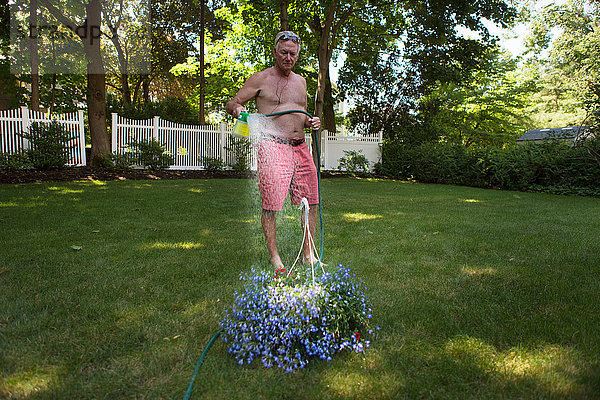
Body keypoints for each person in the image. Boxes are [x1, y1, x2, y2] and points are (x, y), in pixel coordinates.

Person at [226, 31, 321, 269]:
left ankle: (308, 254)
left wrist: (310, 122)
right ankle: (275, 258)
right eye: (284, 53)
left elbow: (300, 114)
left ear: (298, 55)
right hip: (272, 147)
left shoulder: (301, 82)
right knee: (271, 205)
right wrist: (239, 111)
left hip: (300, 147)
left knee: (312, 202)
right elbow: (232, 103)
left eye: (293, 54)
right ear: (275, 52)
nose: (288, 58)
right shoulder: (261, 79)